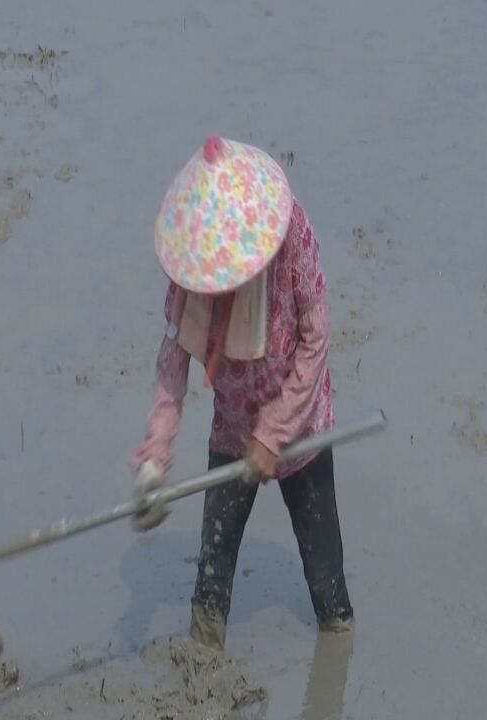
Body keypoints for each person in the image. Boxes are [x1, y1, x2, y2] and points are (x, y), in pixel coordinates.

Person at [130, 136, 353, 652]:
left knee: (327, 584)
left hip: (301, 430)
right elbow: (172, 364)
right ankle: (203, 667)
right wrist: (154, 460)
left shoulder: (291, 231)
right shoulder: (189, 268)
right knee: (211, 578)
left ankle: (335, 662)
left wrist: (274, 434)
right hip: (232, 428)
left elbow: (315, 340)